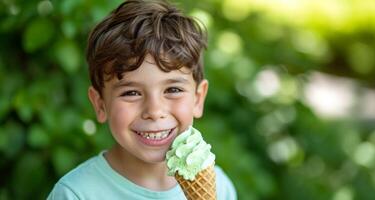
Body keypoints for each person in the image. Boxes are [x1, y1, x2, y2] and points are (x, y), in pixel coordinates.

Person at [47, 0, 237, 199]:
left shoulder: (220, 188)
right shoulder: (76, 194)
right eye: (131, 93)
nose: (154, 111)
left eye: (173, 89)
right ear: (100, 104)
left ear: (198, 99)